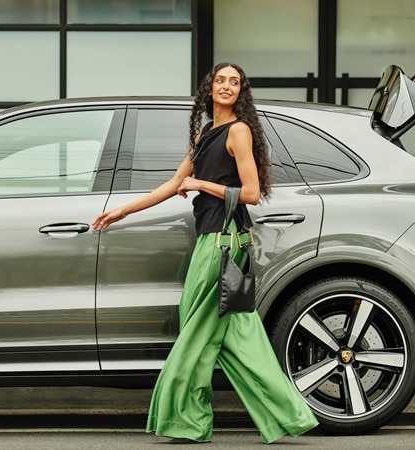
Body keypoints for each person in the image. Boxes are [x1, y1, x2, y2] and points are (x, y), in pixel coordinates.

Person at [91, 63, 320, 444]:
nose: (227, 86)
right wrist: (122, 211)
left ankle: (187, 419)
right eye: (220, 80)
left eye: (234, 82)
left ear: (240, 91)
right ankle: (290, 415)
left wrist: (202, 184)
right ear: (209, 88)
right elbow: (173, 184)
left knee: (195, 335)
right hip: (213, 242)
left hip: (223, 245)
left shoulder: (239, 131)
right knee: (242, 342)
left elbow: (251, 193)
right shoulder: (205, 134)